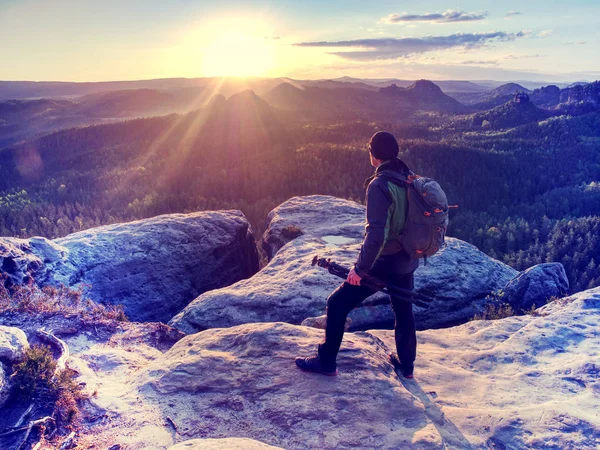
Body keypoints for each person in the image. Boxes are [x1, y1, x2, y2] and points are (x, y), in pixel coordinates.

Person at [295, 131, 419, 378]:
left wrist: (360, 270)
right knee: (404, 310)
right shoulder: (408, 178)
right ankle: (407, 366)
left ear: (373, 155)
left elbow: (376, 235)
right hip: (407, 260)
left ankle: (326, 361)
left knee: (337, 303)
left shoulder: (380, 185)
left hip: (385, 262)